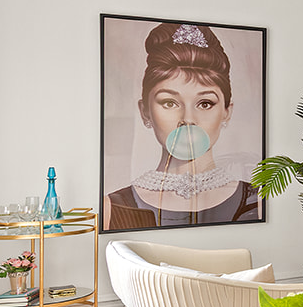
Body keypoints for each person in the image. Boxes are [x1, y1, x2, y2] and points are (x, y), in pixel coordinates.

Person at [103, 22, 262, 230]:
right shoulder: (113, 206)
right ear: (145, 112)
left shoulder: (256, 200)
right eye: (170, 103)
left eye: (205, 103)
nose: (188, 119)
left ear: (226, 112)